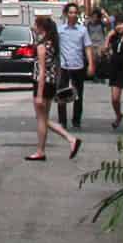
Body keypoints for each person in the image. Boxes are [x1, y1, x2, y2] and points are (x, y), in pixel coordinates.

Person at [29, 14, 83, 161]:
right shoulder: (53, 44)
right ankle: (47, 148)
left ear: (41, 28)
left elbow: (41, 71)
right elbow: (54, 67)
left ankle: (63, 142)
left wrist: (39, 94)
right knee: (43, 118)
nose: (33, 27)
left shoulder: (41, 46)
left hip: (42, 84)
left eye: (35, 24)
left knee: (41, 119)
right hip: (51, 83)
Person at [56, 3, 98, 130]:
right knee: (62, 95)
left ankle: (76, 120)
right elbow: (54, 47)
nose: (73, 15)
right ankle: (62, 121)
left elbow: (88, 47)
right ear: (66, 14)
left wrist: (91, 64)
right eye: (71, 12)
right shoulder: (60, 30)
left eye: (75, 13)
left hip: (78, 66)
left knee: (78, 95)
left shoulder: (82, 30)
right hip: (63, 67)